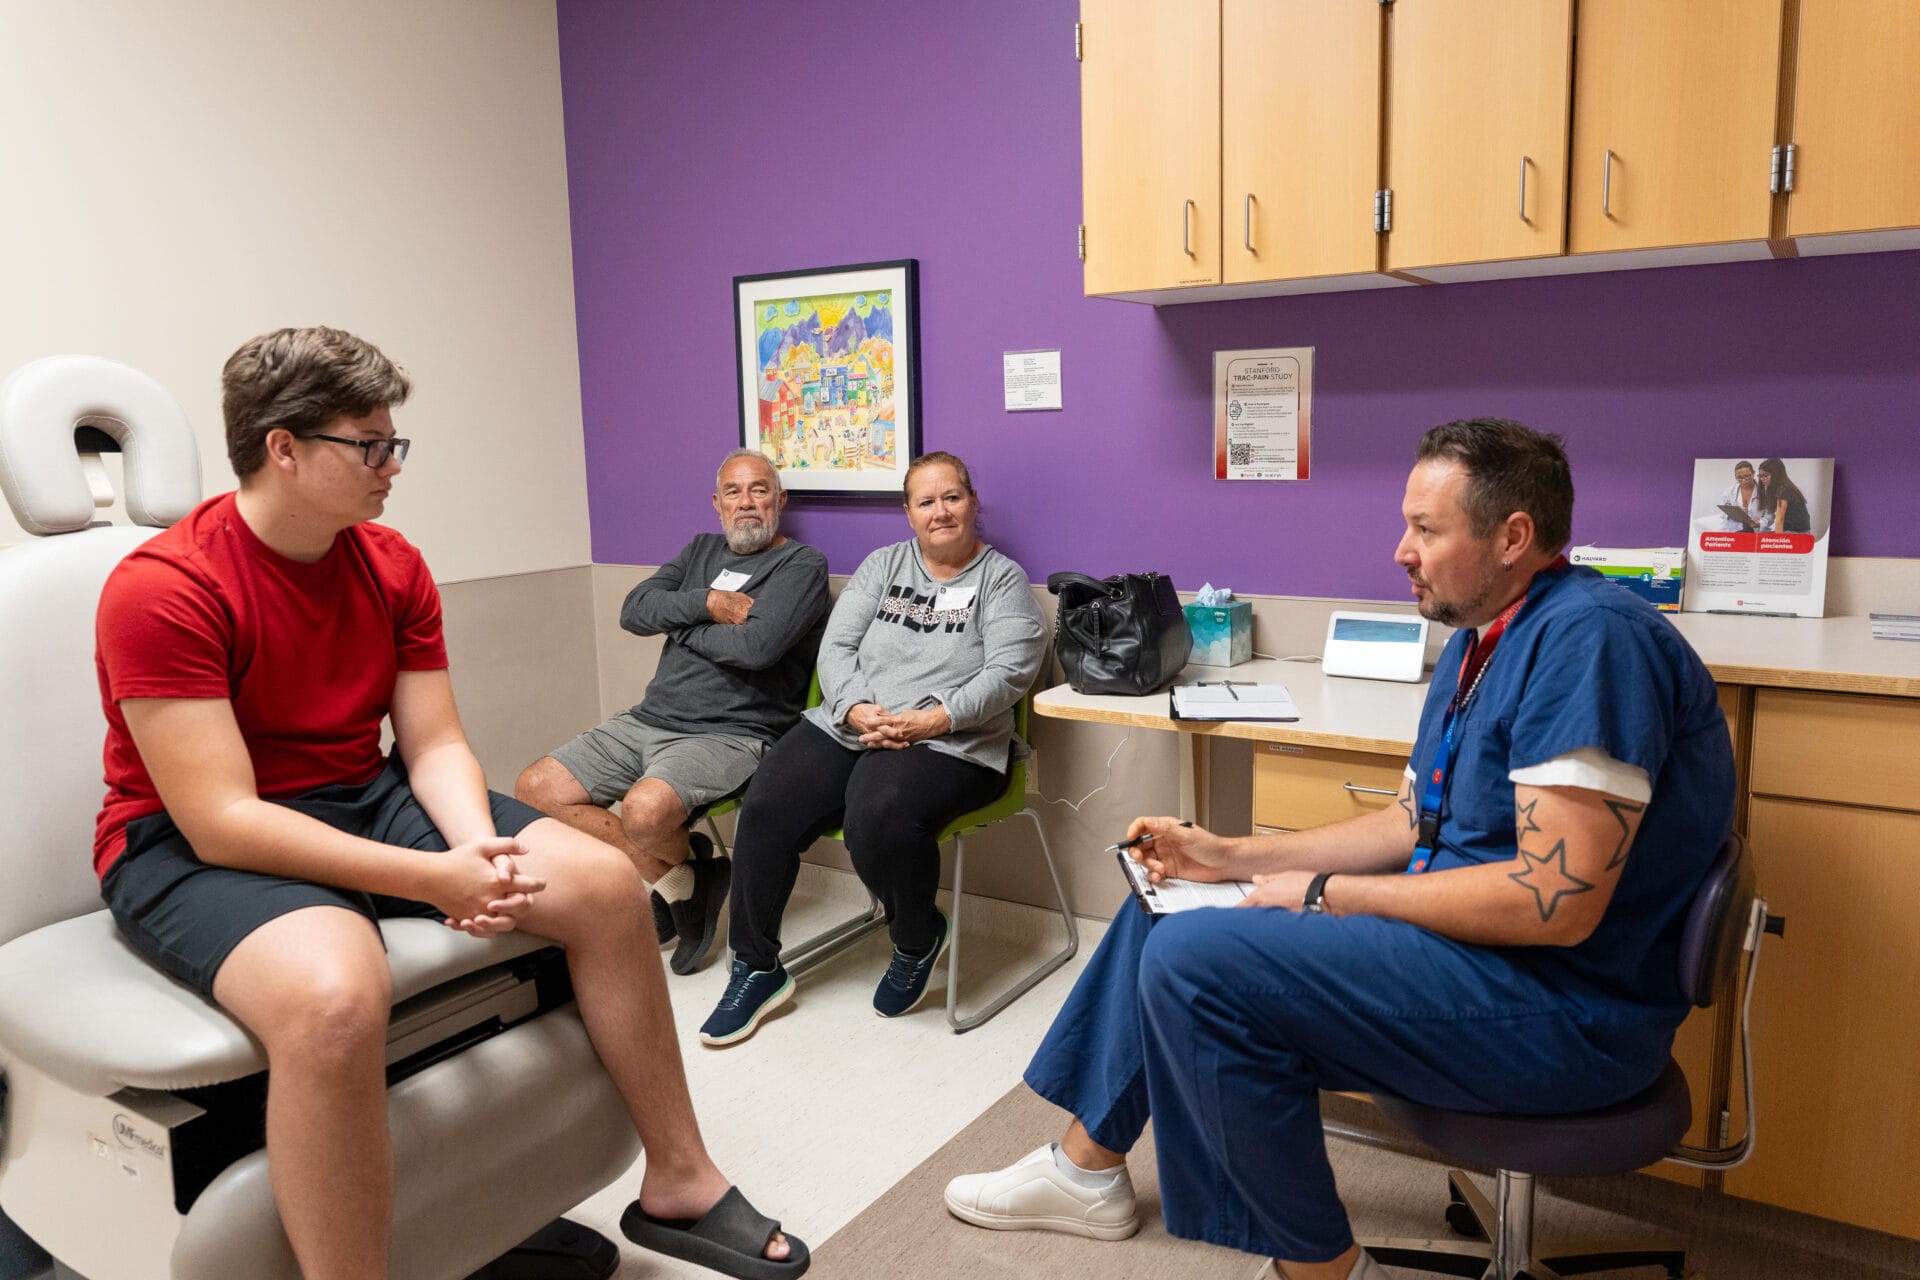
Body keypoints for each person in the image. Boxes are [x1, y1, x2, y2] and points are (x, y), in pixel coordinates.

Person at [943, 418, 1734, 1280]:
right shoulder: (1481, 639)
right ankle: (1084, 1172)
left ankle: (1321, 1272)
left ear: (1514, 538)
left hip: (1565, 1012)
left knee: (1201, 961)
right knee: (1167, 901)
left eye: (1426, 530)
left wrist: (1324, 894)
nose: (1401, 550)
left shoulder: (1590, 644)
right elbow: (1410, 824)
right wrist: (1231, 857)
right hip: (1476, 964)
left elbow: (1556, 903)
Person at [93, 327, 806, 1280]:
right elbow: (223, 816)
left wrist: (482, 853)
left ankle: (679, 1179)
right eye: (372, 445)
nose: (393, 466)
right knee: (340, 992)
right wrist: (434, 877)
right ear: (284, 447)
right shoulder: (167, 588)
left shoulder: (389, 564)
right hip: (189, 841)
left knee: (599, 883)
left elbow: (430, 743)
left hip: (365, 793)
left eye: (397, 443)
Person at [698, 451, 1047, 1046]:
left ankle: (917, 937)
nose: (941, 512)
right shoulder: (882, 565)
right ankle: (756, 965)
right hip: (856, 723)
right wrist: (858, 709)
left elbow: (1011, 671)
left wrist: (931, 721)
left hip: (954, 742)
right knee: (767, 802)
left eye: (952, 497)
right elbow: (836, 651)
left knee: (875, 814)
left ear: (973, 503)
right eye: (926, 501)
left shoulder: (1002, 579)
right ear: (908, 513)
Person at [516, 449, 827, 974]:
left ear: (780, 499)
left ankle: (677, 878)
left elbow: (758, 649)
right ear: (717, 503)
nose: (746, 503)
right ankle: (683, 875)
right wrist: (706, 606)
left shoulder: (801, 565)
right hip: (649, 718)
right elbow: (634, 610)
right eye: (733, 491)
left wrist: (679, 624)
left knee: (642, 813)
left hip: (733, 733)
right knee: (535, 790)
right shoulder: (701, 551)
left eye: (759, 490)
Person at [1756, 457, 1812, 534]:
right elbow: (1773, 516)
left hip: (1799, 533)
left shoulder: (1784, 490)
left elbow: (1780, 520)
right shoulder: (1776, 489)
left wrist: (1778, 542)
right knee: (1759, 536)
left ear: (1776, 475)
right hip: (1790, 530)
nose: (1762, 479)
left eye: (1765, 475)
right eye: (1760, 476)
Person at [1716, 459, 1763, 531]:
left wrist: (1760, 523)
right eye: (1739, 477)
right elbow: (1722, 513)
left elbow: (1770, 516)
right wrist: (1734, 513)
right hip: (1734, 530)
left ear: (1753, 473)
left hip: (1756, 531)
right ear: (1735, 477)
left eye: (1747, 476)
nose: (1743, 480)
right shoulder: (1729, 492)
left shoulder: (1764, 492)